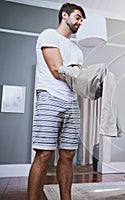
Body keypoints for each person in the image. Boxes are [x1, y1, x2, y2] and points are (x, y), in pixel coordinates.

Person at [27, 3, 86, 200]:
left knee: (68, 155)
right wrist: (78, 72)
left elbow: (77, 80)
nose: (80, 22)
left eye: (81, 20)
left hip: (71, 102)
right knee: (44, 154)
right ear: (64, 15)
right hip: (50, 97)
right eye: (77, 17)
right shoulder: (48, 35)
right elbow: (57, 70)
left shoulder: (77, 50)